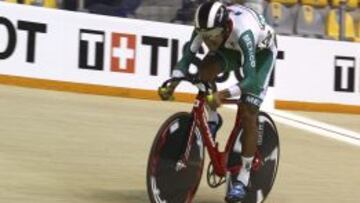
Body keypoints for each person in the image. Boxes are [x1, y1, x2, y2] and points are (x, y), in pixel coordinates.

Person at [159, 1, 277, 202]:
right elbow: (186, 59)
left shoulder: (243, 32)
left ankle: (243, 178)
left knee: (249, 112)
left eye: (212, 37)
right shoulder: (205, 29)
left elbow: (249, 80)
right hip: (229, 46)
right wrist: (172, 82)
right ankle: (213, 120)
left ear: (225, 28)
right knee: (204, 71)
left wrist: (223, 95)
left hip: (260, 53)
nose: (208, 43)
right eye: (205, 38)